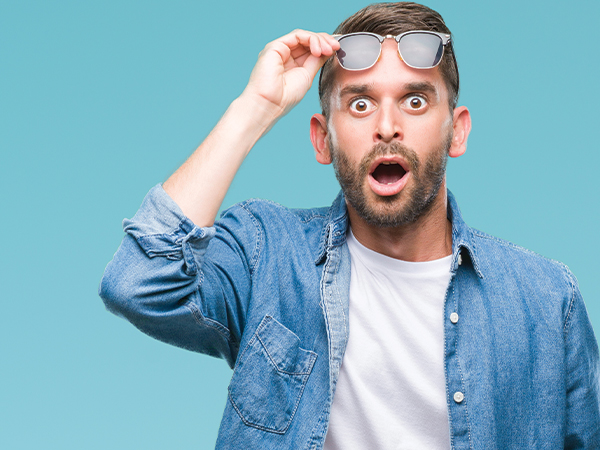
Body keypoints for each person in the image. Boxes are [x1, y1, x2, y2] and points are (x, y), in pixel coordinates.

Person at [99, 2, 600, 448]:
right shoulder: (267, 252)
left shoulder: (546, 299)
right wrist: (256, 109)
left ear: (457, 130)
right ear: (322, 140)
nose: (386, 126)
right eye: (359, 104)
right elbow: (138, 285)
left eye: (416, 101)